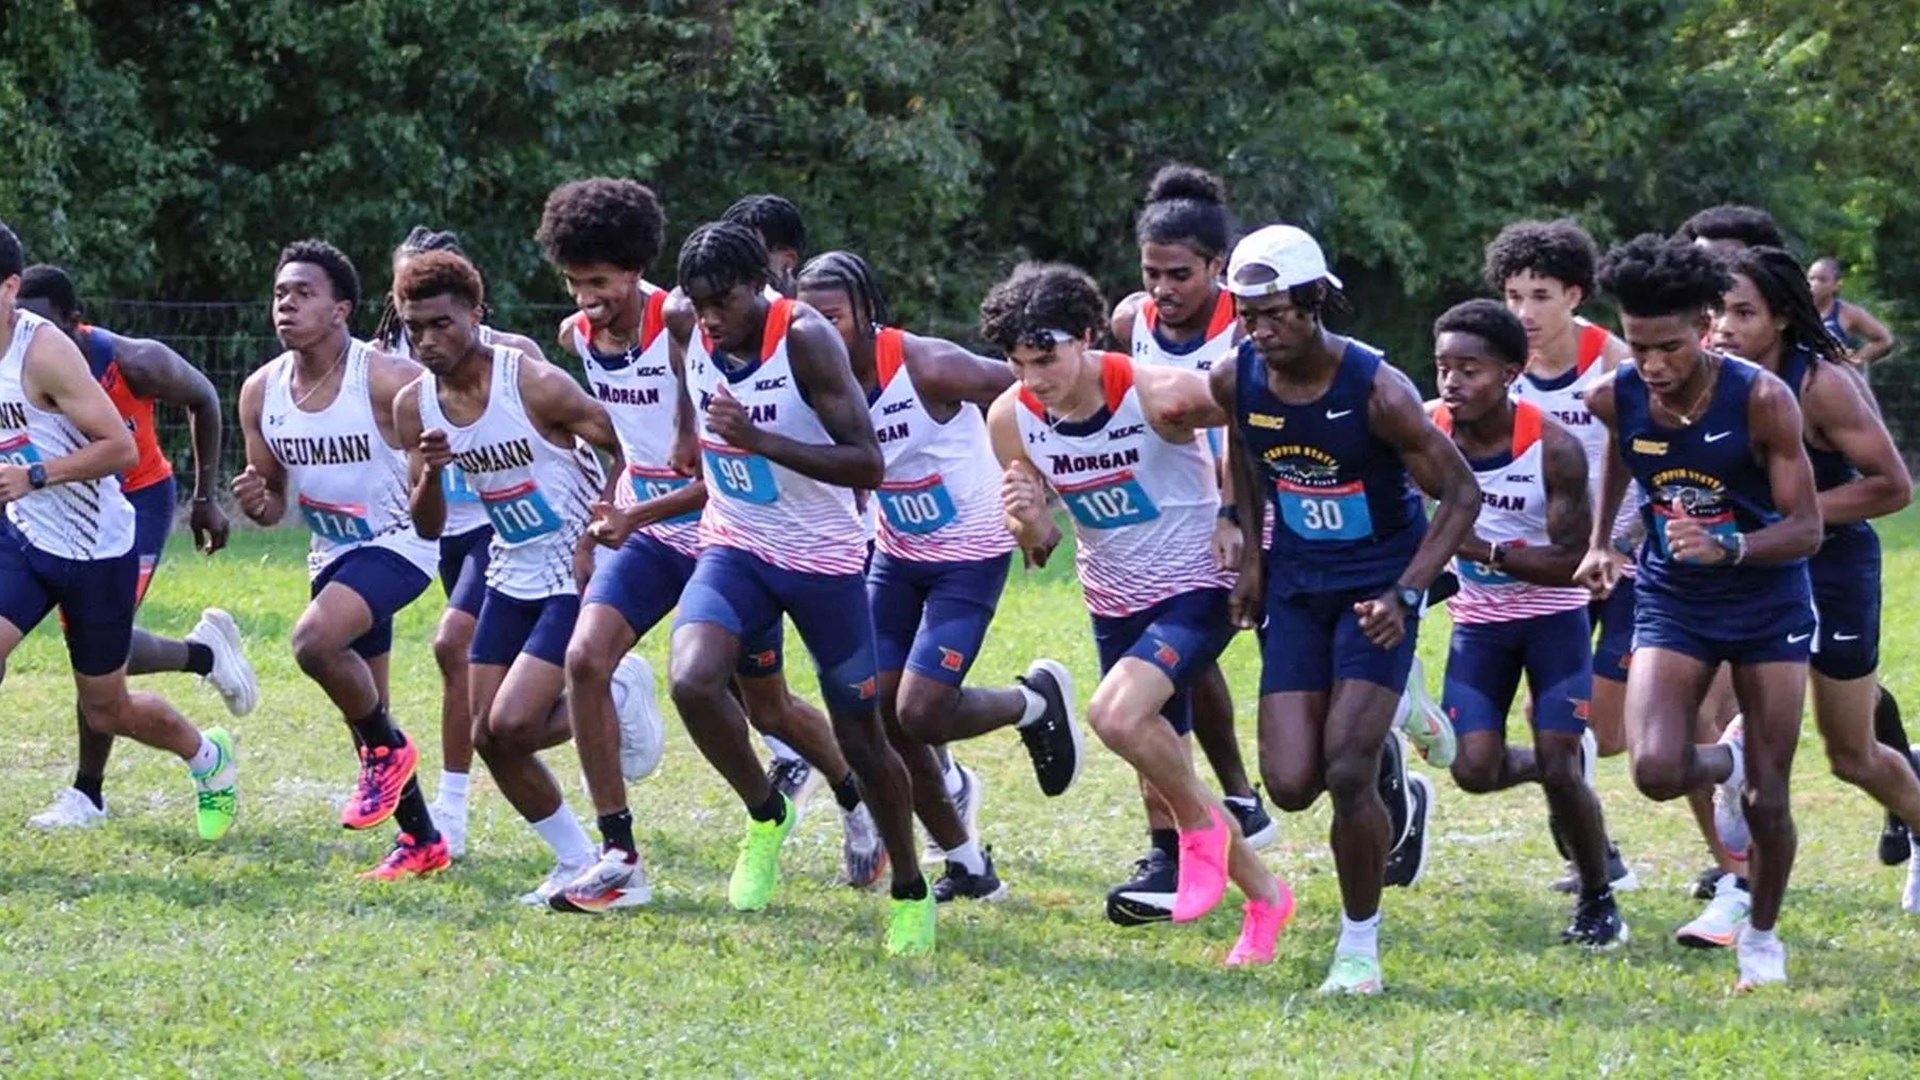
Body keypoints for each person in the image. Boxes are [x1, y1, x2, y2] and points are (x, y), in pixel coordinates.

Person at [986, 261, 1294, 967]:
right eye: (1019, 362)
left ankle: (1204, 836)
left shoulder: (1157, 394)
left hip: (1197, 587)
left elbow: (1252, 417)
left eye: (1048, 358)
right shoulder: (1012, 417)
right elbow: (1040, 542)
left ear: (1087, 338)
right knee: (1163, 772)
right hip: (1113, 600)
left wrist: (1231, 512)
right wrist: (1028, 523)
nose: (1034, 378)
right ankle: (1264, 898)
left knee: (1117, 717)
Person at [1220, 224, 1480, 993]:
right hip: (1298, 586)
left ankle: (1358, 946)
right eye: (1247, 315)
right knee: (1292, 782)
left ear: (1315, 302)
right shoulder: (1237, 377)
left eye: (1275, 314)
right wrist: (1251, 553)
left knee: (1344, 767)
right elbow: (1245, 450)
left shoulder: (1378, 389)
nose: (1261, 330)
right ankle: (1399, 718)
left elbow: (1461, 494)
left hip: (1377, 590)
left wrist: (1408, 593)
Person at [667, 221, 934, 955]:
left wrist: (759, 441)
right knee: (693, 682)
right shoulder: (686, 318)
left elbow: (867, 465)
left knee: (864, 737)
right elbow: (687, 368)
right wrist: (691, 432)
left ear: (762, 285)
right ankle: (765, 812)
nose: (711, 318)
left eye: (724, 301)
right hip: (736, 545)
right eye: (701, 303)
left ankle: (910, 887)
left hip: (823, 563)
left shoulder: (807, 339)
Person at [797, 250, 1081, 903]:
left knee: (919, 712)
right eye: (806, 317)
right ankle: (967, 866)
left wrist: (1036, 499)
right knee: (880, 715)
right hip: (896, 558)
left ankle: (1032, 702)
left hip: (971, 553)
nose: (817, 330)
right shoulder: (813, 377)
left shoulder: (926, 364)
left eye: (832, 316)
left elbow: (1029, 395)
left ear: (866, 312)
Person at [1577, 234, 1822, 991]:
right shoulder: (1614, 392)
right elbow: (1623, 446)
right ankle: (1734, 756)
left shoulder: (1761, 398)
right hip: (1675, 597)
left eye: (1671, 347)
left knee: (1769, 795)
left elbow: (1807, 528)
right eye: (1641, 346)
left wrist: (1734, 549)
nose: (1654, 364)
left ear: (1707, 324)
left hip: (1766, 599)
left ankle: (1763, 938)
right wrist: (1600, 542)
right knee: (1653, 769)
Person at [1690, 245, 1920, 928]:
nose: (1723, 326)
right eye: (1715, 312)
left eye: (1742, 312)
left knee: (1852, 754)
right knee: (1733, 719)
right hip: (1748, 564)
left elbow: (1893, 486)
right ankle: (1741, 891)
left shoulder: (1822, 383)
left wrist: (1794, 519)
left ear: (1784, 317)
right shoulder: (1703, 374)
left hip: (1832, 566)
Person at [393, 249, 630, 905]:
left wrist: (602, 522)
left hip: (573, 567)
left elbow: (623, 443)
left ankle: (612, 704)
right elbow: (428, 526)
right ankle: (576, 861)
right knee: (486, 735)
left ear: (476, 314)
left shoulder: (532, 383)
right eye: (415, 327)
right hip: (511, 566)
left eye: (441, 323)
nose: (427, 340)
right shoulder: (416, 407)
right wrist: (434, 473)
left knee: (516, 723)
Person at [0, 221, 238, 842]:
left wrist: (34, 475)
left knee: (108, 706)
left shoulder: (44, 351)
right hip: (24, 540)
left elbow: (121, 451)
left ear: (10, 287)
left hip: (94, 550)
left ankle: (206, 755)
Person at [233, 239, 445, 878]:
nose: (286, 305)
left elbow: (435, 472)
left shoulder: (387, 379)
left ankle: (389, 749)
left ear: (340, 309)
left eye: (303, 293)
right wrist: (256, 500)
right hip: (331, 553)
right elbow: (270, 504)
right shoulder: (259, 392)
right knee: (365, 707)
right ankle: (422, 841)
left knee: (314, 642)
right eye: (279, 293)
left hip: (399, 542)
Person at [1427, 299, 1627, 948]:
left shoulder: (1554, 449)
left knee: (1565, 766)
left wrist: (1481, 550)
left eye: (1470, 369)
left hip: (1551, 619)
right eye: (1443, 368)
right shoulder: (1427, 432)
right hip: (1478, 623)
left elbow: (1573, 562)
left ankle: (1598, 899)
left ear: (1511, 372)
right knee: (1473, 770)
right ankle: (1551, 765)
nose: (1453, 383)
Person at [1105, 164, 1280, 846]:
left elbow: (1246, 430)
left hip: (1260, 509)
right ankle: (1236, 798)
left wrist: (1235, 516)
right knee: (1183, 663)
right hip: (1179, 517)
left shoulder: (1247, 330)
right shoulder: (1132, 320)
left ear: (1218, 266)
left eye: (1179, 275)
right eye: (1152, 272)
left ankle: (1379, 741)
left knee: (1287, 676)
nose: (1162, 288)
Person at [369, 227, 554, 858]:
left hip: (501, 531)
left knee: (452, 644)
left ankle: (450, 808)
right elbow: (413, 480)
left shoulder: (515, 357)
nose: (421, 330)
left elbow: (575, 437)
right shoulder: (405, 369)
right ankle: (605, 691)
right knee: (485, 690)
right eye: (403, 301)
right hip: (444, 530)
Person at [1483, 220, 1640, 894]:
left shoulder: (1615, 362)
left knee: (1604, 733)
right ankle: (1597, 857)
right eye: (1513, 295)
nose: (1524, 313)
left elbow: (1645, 458)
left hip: (1623, 564)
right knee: (1552, 722)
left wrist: (1616, 544)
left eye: (1540, 295)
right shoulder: (1501, 369)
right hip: (1544, 570)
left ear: (1574, 295)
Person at [1806, 258, 1895, 365]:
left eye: (1822, 280)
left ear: (1836, 285)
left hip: (1830, 377)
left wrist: (1855, 361)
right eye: (1811, 278)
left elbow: (1884, 339)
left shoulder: (1847, 313)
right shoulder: (1794, 309)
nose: (1814, 284)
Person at [723, 194, 807, 297]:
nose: (738, 268)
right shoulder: (713, 309)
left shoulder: (818, 308)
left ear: (789, 260)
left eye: (750, 257)